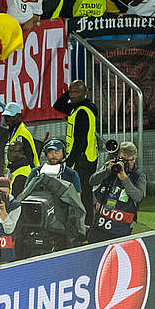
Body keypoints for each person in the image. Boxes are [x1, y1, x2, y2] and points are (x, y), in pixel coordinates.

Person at [53, 80, 99, 215]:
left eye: (76, 92)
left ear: (84, 94)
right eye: (71, 92)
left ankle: (87, 223)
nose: (72, 95)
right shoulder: (76, 107)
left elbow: (80, 142)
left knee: (83, 193)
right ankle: (85, 222)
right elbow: (58, 105)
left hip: (84, 159)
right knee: (83, 192)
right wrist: (70, 92)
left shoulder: (82, 112)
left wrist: (69, 162)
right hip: (84, 158)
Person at [87, 142, 146, 242]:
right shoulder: (111, 166)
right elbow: (92, 181)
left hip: (120, 231)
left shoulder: (138, 176)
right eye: (123, 160)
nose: (125, 163)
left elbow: (138, 197)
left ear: (134, 159)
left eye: (129, 161)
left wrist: (124, 178)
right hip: (99, 225)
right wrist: (107, 171)